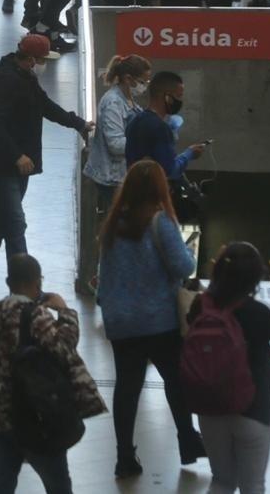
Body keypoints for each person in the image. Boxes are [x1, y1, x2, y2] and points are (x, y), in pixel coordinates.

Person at [97, 160, 204, 477]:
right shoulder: (160, 222)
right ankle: (188, 440)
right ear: (159, 189)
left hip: (121, 321)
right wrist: (191, 252)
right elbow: (183, 267)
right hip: (158, 321)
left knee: (127, 387)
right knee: (175, 380)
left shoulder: (114, 223)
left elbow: (106, 273)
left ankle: (124, 456)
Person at [0, 34, 91, 302]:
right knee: (15, 223)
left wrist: (77, 123)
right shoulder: (8, 81)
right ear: (32, 59)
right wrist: (16, 155)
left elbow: (44, 105)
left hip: (19, 165)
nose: (43, 64)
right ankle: (25, 289)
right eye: (43, 59)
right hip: (6, 165)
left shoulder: (23, 76)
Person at [0, 254, 106, 493]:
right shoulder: (34, 315)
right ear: (37, 284)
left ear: (8, 282)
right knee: (58, 484)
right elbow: (64, 347)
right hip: (34, 417)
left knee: (1, 484)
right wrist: (64, 311)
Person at [190, 243, 270, 493]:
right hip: (253, 412)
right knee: (252, 485)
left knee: (221, 481)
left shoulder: (201, 306)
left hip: (210, 409)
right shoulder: (258, 311)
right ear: (257, 278)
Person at [83, 55, 153, 281]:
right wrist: (145, 143)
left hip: (123, 175)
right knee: (117, 231)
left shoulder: (129, 100)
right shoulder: (113, 102)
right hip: (111, 177)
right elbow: (115, 144)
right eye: (143, 81)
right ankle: (104, 277)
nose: (145, 86)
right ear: (128, 78)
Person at [125, 71, 205, 184]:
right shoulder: (160, 128)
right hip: (153, 194)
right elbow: (170, 171)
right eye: (178, 96)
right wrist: (189, 154)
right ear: (167, 97)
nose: (180, 101)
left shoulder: (134, 121)